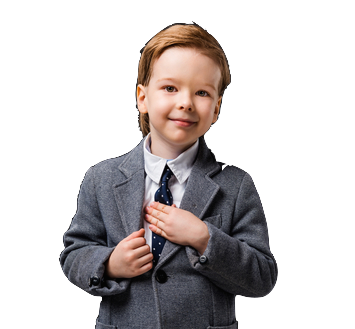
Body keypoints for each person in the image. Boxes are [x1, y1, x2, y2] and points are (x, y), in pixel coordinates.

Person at [60, 22, 278, 329]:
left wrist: (204, 238)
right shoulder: (101, 178)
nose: (186, 102)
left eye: (202, 92)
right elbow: (74, 254)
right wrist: (109, 264)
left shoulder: (237, 185)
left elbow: (262, 278)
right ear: (142, 98)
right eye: (170, 88)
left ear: (216, 109)